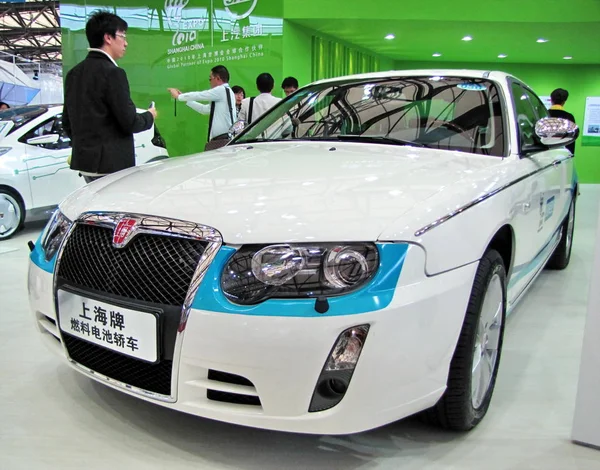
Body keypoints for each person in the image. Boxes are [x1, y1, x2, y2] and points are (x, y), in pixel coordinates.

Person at [62, 11, 156, 184]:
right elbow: (129, 122)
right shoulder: (113, 73)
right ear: (108, 38)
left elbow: (67, 122)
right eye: (122, 36)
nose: (126, 43)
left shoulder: (74, 74)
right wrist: (150, 115)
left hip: (85, 163)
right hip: (111, 165)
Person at [168, 65, 236, 151]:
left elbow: (201, 95)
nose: (209, 82)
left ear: (217, 78)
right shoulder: (226, 92)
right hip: (222, 140)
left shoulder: (221, 90)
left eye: (210, 79)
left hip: (222, 140)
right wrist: (187, 101)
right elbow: (204, 110)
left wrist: (179, 96)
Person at [548, 88, 576, 156]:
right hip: (562, 155)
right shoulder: (569, 117)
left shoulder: (543, 114)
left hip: (544, 155)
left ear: (551, 100)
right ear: (564, 101)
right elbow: (571, 140)